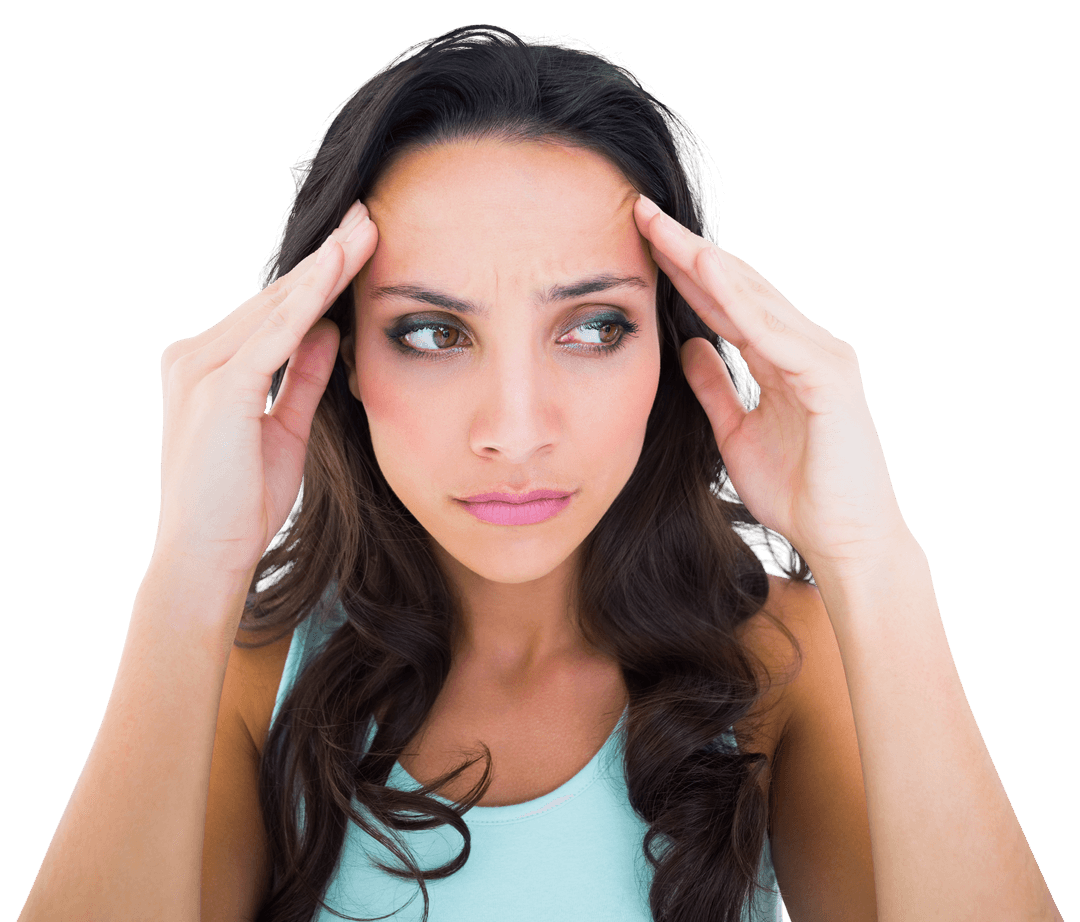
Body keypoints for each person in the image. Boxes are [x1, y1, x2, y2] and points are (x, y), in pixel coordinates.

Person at [18, 24, 1063, 922]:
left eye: (595, 326)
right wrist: (188, 575)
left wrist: (874, 558)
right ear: (333, 359)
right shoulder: (249, 685)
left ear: (672, 346)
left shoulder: (787, 664)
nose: (516, 430)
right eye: (430, 332)